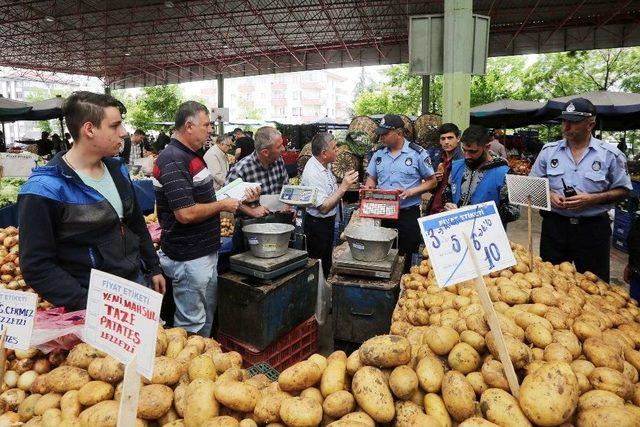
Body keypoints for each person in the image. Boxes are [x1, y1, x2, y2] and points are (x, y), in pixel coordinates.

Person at [18, 91, 165, 311]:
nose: (123, 133)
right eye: (115, 126)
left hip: (135, 287)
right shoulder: (44, 189)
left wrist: (153, 267)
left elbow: (135, 224)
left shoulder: (118, 170)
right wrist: (89, 303)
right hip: (89, 303)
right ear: (89, 129)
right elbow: (36, 266)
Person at [153, 101, 240, 336]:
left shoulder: (190, 155)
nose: (210, 130)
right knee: (191, 324)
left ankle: (203, 362)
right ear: (189, 126)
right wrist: (222, 204)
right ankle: (188, 368)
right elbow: (186, 213)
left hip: (202, 254)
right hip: (190, 258)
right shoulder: (172, 159)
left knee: (205, 315)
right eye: (206, 125)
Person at [530, 97, 632, 282]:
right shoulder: (548, 151)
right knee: (550, 280)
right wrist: (550, 195)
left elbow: (624, 190)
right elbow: (533, 184)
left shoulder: (610, 155)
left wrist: (591, 199)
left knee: (595, 283)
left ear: (590, 124)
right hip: (555, 227)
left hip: (592, 229)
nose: (566, 127)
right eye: (564, 120)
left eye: (573, 122)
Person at [365, 114, 437, 271]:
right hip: (383, 214)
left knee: (406, 258)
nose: (381, 137)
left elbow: (432, 181)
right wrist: (369, 188)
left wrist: (411, 191)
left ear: (399, 133)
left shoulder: (417, 153)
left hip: (408, 214)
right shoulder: (378, 154)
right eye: (380, 134)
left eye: (385, 134)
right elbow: (371, 178)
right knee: (382, 255)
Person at [301, 132, 358, 277]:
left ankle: (324, 289)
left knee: (326, 261)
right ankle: (317, 294)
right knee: (319, 265)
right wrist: (343, 187)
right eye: (334, 148)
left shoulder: (324, 164)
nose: (337, 150)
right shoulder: (313, 173)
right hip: (317, 225)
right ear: (324, 153)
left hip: (326, 223)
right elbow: (324, 207)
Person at [225, 126, 289, 253]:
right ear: (265, 152)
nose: (283, 149)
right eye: (279, 146)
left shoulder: (279, 161)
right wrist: (251, 211)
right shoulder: (241, 169)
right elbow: (226, 197)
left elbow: (286, 187)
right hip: (250, 230)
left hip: (276, 226)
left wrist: (287, 204)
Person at [443, 125, 520, 227]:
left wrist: (475, 214)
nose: (466, 156)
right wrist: (448, 202)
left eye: (472, 151)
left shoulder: (504, 173)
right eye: (464, 150)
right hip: (458, 231)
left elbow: (514, 211)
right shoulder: (457, 165)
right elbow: (448, 189)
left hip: (488, 235)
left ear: (487, 147)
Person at [425, 123, 464, 215]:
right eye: (443, 138)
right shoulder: (437, 158)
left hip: (451, 209)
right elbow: (432, 189)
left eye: (450, 138)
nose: (446, 142)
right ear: (439, 141)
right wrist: (435, 180)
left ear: (458, 139)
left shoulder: (463, 160)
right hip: (434, 208)